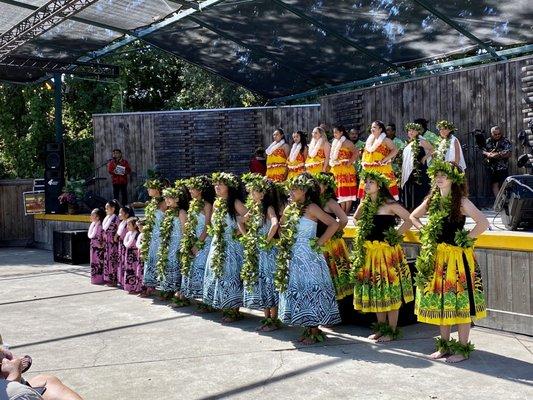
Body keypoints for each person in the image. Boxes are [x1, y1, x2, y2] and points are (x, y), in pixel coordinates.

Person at [410, 160, 489, 362]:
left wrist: (465, 239)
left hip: (457, 259)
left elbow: (483, 222)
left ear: (454, 178)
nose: (439, 178)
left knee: (460, 303)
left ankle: (462, 349)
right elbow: (413, 216)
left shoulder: (461, 202)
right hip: (437, 257)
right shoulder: (432, 199)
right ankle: (444, 346)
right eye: (437, 175)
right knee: (442, 303)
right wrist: (425, 231)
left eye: (443, 175)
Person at [276, 173, 341, 344]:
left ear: (304, 190)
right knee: (300, 290)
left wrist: (319, 242)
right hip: (293, 256)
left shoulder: (312, 207)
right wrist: (285, 240)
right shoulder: (290, 208)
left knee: (311, 290)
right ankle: (306, 328)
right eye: (290, 188)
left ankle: (314, 331)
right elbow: (281, 227)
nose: (291, 191)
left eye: (295, 189)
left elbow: (333, 224)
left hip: (310, 256)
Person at [352, 171, 414, 342]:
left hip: (387, 253)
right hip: (371, 253)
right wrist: (363, 229)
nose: (367, 185)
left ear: (379, 185)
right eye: (366, 182)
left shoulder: (389, 204)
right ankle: (381, 328)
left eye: (371, 182)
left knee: (389, 291)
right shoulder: (364, 203)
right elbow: (355, 219)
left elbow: (409, 219)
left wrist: (396, 236)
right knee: (378, 291)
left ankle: (392, 330)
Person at [203, 172, 247, 322]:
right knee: (219, 273)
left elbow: (250, 217)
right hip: (218, 242)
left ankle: (234, 310)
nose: (217, 187)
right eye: (215, 184)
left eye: (220, 184)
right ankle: (225, 306)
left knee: (231, 274)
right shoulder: (216, 203)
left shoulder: (235, 202)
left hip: (232, 245)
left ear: (229, 187)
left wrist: (237, 231)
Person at [240, 173, 281, 332]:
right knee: (262, 282)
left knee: (270, 281)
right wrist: (247, 237)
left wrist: (266, 240)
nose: (250, 194)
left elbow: (275, 224)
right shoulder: (254, 208)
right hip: (258, 250)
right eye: (249, 191)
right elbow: (240, 221)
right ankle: (266, 319)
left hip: (268, 251)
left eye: (253, 191)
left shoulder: (268, 208)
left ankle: (274, 319)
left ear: (262, 194)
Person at [315, 172, 352, 301]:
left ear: (326, 186)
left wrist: (335, 232)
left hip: (330, 243)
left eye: (320, 183)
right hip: (318, 240)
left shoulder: (330, 202)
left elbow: (344, 219)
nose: (316, 186)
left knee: (334, 274)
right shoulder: (313, 201)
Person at [180, 176, 215, 310]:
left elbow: (207, 226)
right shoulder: (192, 204)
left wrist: (198, 244)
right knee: (191, 267)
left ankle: (207, 301)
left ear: (200, 190)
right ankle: (197, 297)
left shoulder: (207, 205)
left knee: (202, 267)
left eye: (192, 188)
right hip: (194, 239)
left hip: (205, 239)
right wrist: (189, 242)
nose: (189, 190)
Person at [156, 182, 188, 302]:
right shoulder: (168, 212)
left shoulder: (182, 212)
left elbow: (185, 230)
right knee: (168, 266)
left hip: (178, 243)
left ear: (177, 199)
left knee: (178, 267)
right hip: (169, 244)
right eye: (166, 198)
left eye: (170, 197)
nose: (167, 200)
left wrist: (184, 246)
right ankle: (169, 290)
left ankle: (180, 293)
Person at [357, 120, 399, 200]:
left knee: (385, 189)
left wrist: (385, 159)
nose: (372, 129)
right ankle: (366, 209)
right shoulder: (369, 141)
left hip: (382, 168)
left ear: (380, 129)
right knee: (367, 190)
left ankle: (390, 208)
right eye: (372, 127)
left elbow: (395, 150)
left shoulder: (386, 140)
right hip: (369, 169)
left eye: (374, 127)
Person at [140, 179, 167, 297]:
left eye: (150, 188)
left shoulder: (165, 203)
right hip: (151, 236)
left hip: (161, 236)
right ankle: (150, 286)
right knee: (150, 260)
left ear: (157, 189)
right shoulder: (151, 203)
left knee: (160, 261)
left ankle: (164, 289)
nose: (147, 190)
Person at [401, 122, 434, 211]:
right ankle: (412, 207)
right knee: (411, 187)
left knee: (420, 188)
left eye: (413, 130)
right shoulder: (409, 143)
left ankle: (421, 207)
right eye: (409, 131)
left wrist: (424, 158)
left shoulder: (421, 141)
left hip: (419, 169)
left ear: (417, 132)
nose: (411, 132)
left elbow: (432, 149)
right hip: (410, 170)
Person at [329, 125, 358, 213]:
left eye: (336, 132)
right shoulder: (334, 143)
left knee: (347, 190)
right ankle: (342, 211)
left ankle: (346, 211)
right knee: (340, 190)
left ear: (341, 132)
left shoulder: (347, 142)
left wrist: (349, 162)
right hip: (337, 169)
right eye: (334, 133)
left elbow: (356, 153)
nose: (334, 134)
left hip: (346, 170)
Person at [482, 126, 512, 197]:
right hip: (491, 168)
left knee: (504, 186)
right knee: (494, 185)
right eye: (495, 134)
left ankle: (505, 204)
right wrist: (488, 154)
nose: (498, 135)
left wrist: (497, 155)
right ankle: (498, 204)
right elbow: (482, 151)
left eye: (499, 134)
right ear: (491, 134)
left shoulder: (505, 141)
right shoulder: (488, 141)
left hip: (502, 168)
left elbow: (509, 153)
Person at [115, 205, 134, 288]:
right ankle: (121, 281)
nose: (119, 215)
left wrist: (118, 237)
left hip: (125, 245)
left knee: (124, 263)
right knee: (121, 263)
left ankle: (125, 281)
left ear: (126, 215)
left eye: (121, 213)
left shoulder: (128, 224)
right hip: (121, 245)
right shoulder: (122, 222)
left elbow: (124, 235)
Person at [102, 200, 120, 286]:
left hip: (113, 243)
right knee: (107, 260)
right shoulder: (107, 218)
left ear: (113, 209)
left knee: (113, 261)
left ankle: (114, 280)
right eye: (105, 208)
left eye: (107, 208)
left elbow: (119, 230)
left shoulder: (116, 218)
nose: (106, 210)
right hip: (107, 243)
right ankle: (108, 279)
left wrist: (115, 237)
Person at [123, 217, 142, 294]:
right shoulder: (128, 234)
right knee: (129, 270)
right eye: (127, 225)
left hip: (134, 256)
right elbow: (126, 243)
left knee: (134, 271)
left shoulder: (137, 235)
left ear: (135, 226)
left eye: (129, 225)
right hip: (128, 254)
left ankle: (135, 288)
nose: (127, 226)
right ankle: (129, 287)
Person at [88, 208, 105, 285]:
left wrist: (99, 245)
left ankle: (99, 279)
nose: (90, 216)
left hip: (98, 249)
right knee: (93, 263)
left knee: (98, 264)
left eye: (92, 215)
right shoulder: (94, 225)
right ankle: (94, 279)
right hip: (93, 248)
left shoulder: (100, 226)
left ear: (98, 217)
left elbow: (102, 238)